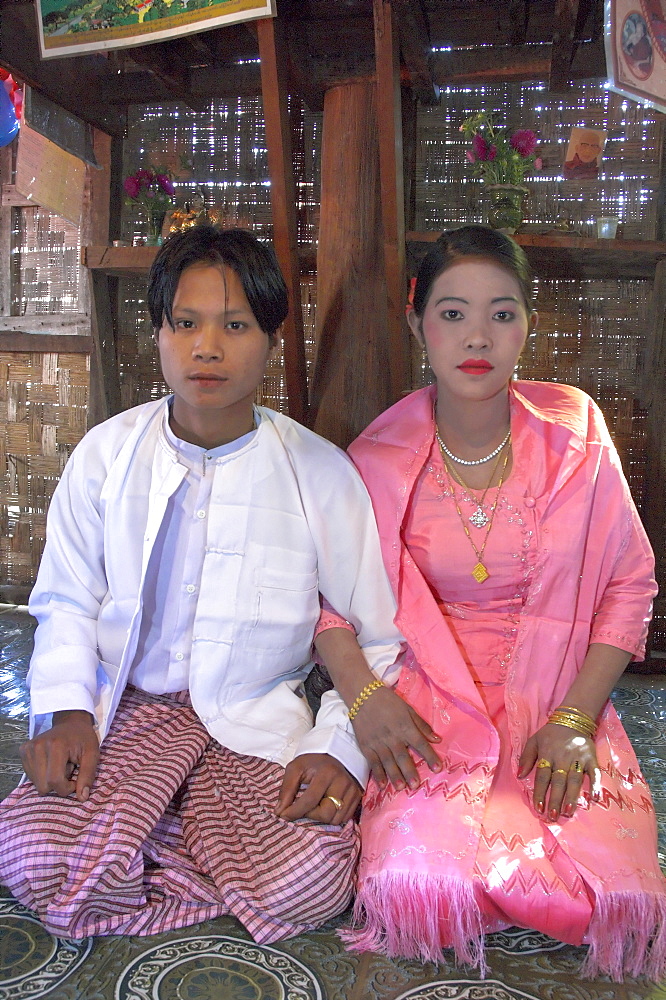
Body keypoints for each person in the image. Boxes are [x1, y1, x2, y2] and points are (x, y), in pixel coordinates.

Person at [0, 225, 416, 944]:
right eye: (186, 324)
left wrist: (338, 746)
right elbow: (66, 600)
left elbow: (376, 634)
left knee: (309, 880)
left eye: (235, 326)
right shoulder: (105, 456)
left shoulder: (319, 472)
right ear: (158, 332)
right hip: (128, 708)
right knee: (31, 857)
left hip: (255, 723)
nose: (207, 348)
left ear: (271, 339)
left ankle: (151, 846)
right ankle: (186, 847)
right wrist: (64, 708)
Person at [317, 225, 666, 981]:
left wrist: (576, 720)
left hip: (557, 693)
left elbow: (629, 583)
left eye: (502, 314)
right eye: (452, 313)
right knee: (424, 886)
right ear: (417, 322)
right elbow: (326, 603)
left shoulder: (575, 435)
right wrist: (366, 696)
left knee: (599, 895)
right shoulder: (375, 460)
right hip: (429, 699)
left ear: (527, 325)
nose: (477, 336)